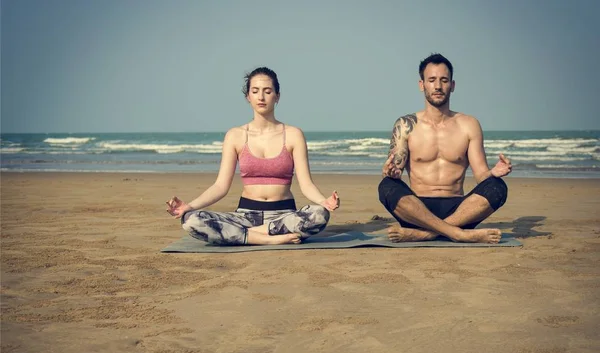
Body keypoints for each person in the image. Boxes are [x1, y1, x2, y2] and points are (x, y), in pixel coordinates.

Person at [166, 67, 339, 245]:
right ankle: (268, 239)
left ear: (277, 96)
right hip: (245, 215)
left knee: (319, 214)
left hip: (284, 216)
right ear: (248, 96)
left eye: (268, 91)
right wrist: (190, 206)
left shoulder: (293, 134)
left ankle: (246, 235)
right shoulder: (235, 135)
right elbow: (220, 186)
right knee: (191, 220)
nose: (261, 97)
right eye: (255, 91)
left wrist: (322, 201)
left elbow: (306, 184)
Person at [378, 53, 512, 244]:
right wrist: (391, 172)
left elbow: (481, 174)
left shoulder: (469, 124)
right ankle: (456, 233)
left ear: (453, 85)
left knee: (498, 187)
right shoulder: (406, 124)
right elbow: (396, 170)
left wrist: (494, 172)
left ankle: (426, 234)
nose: (438, 86)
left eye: (444, 80)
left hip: (460, 210)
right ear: (421, 85)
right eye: (431, 80)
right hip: (417, 209)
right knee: (386, 186)